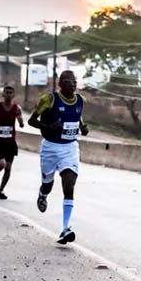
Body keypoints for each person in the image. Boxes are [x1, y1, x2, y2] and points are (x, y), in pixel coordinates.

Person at [27, 70, 89, 244]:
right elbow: (31, 121)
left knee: (69, 184)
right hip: (50, 148)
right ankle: (42, 193)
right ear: (60, 84)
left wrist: (83, 128)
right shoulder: (49, 99)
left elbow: (78, 117)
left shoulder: (81, 101)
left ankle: (65, 228)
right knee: (48, 184)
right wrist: (48, 126)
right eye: (68, 82)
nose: (72, 85)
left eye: (74, 82)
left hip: (70, 148)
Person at [0, 85, 24, 200]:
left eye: (11, 93)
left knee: (8, 168)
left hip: (10, 142)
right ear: (3, 94)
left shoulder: (16, 108)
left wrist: (20, 122)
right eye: (7, 92)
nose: (8, 95)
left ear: (13, 95)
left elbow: (19, 118)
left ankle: (1, 190)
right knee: (1, 164)